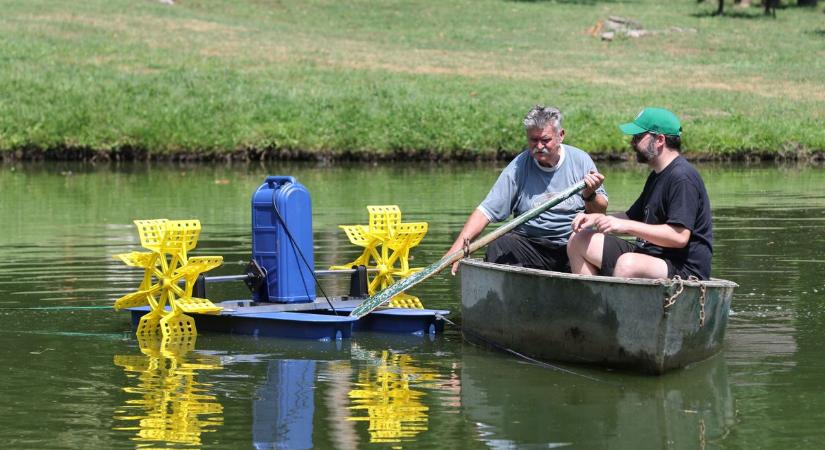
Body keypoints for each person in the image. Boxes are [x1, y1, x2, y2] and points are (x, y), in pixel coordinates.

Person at [447, 105, 607, 275]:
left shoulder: (581, 160)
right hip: (531, 246)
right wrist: (455, 251)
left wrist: (590, 195)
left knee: (601, 246)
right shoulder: (518, 167)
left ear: (560, 136)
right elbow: (485, 211)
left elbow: (600, 211)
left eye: (545, 140)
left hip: (573, 245)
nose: (539, 146)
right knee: (500, 245)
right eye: (533, 140)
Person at [566, 107, 713, 280]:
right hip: (650, 255)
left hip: (683, 268)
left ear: (659, 140)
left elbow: (679, 236)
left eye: (638, 137)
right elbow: (632, 217)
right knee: (578, 240)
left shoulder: (682, 178)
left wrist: (625, 226)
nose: (633, 143)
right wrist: (596, 219)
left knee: (628, 264)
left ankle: (616, 307)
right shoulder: (657, 175)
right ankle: (593, 305)